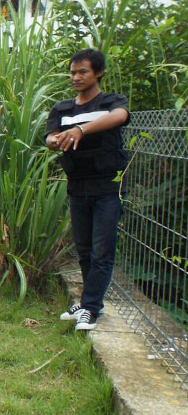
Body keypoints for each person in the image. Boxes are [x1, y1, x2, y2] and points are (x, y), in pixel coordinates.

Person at [46, 48, 130, 331]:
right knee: (83, 250)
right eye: (72, 72)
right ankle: (88, 303)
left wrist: (81, 130)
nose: (76, 77)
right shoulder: (62, 108)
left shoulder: (111, 101)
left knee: (101, 251)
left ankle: (91, 308)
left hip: (108, 188)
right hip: (77, 187)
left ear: (99, 72)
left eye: (83, 72)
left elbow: (119, 116)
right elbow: (49, 137)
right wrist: (56, 140)